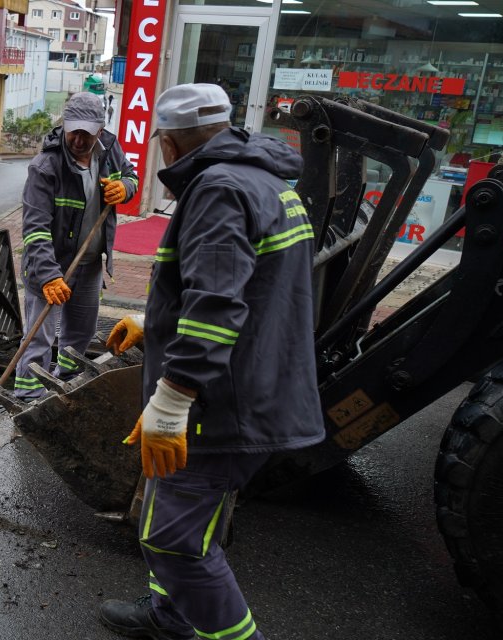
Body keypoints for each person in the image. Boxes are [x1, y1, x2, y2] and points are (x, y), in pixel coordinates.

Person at [98, 84, 325, 640]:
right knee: (180, 516)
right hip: (256, 383)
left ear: (170, 145)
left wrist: (172, 400)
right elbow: (248, 291)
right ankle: (170, 616)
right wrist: (156, 328)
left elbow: (217, 304)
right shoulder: (265, 179)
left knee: (171, 540)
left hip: (224, 404)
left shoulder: (219, 188)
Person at [12, 91, 139, 402]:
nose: (79, 140)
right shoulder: (46, 166)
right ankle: (27, 396)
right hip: (50, 264)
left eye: (87, 132)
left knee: (81, 330)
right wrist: (49, 276)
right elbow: (35, 229)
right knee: (40, 336)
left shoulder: (109, 149)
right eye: (74, 131)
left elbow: (131, 177)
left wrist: (125, 188)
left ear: (100, 129)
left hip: (90, 260)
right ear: (64, 125)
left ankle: (66, 380)